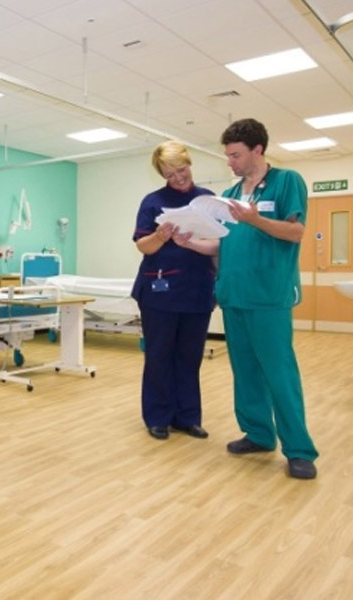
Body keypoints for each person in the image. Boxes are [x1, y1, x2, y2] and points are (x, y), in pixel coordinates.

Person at [174, 118, 318, 479]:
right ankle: (258, 434)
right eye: (228, 155)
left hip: (268, 296)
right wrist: (189, 243)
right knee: (246, 371)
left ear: (258, 149)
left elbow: (296, 232)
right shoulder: (231, 194)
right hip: (234, 295)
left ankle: (299, 450)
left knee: (279, 374)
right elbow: (223, 245)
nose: (230, 161)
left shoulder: (286, 181)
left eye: (235, 155)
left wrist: (257, 220)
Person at [131, 140, 216, 441]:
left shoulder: (207, 200)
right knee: (159, 355)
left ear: (189, 163)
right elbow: (143, 246)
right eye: (170, 174)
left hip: (198, 290)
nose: (178, 178)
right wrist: (160, 235)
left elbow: (220, 243)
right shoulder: (153, 202)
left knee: (190, 357)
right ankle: (158, 417)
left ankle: (187, 417)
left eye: (181, 170)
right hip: (160, 292)